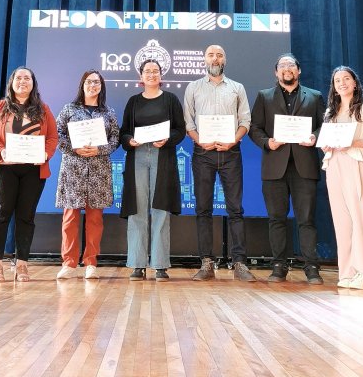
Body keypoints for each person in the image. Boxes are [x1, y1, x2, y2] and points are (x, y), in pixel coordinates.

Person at [249, 53, 325, 284]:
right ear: (276, 72)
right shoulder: (264, 96)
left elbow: (325, 125)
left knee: (306, 220)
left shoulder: (315, 96)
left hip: (305, 167)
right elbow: (254, 127)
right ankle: (279, 266)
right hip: (274, 166)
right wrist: (267, 142)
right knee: (276, 219)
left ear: (298, 70)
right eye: (282, 66)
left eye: (291, 65)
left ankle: (311, 267)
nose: (287, 69)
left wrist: (315, 137)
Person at [183, 44, 253, 281]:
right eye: (211, 54)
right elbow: (188, 122)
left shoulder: (237, 88)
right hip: (203, 154)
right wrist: (199, 141)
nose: (215, 58)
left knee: (236, 209)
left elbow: (245, 119)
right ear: (204, 59)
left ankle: (239, 263)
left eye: (220, 54)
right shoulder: (193, 87)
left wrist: (233, 140)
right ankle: (206, 263)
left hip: (231, 153)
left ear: (225, 60)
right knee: (203, 209)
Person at [0, 66, 58, 283]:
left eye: (27, 78)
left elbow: (52, 137)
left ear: (33, 83)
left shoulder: (43, 109)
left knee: (26, 216)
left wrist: (45, 154)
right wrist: (0, 151)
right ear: (11, 82)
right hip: (3, 167)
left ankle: (22, 263)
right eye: (19, 78)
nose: (23, 81)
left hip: (33, 169)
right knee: (1, 213)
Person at [119, 59, 186, 281]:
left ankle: (160, 265)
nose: (151, 74)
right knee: (137, 210)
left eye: (155, 71)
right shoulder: (133, 101)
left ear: (161, 75)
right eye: (147, 71)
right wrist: (130, 140)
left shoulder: (170, 99)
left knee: (160, 210)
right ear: (141, 76)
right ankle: (137, 264)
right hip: (137, 156)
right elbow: (124, 133)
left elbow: (180, 130)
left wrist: (167, 140)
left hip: (162, 156)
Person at [55, 70, 120, 279]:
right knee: (70, 217)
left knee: (95, 219)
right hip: (73, 169)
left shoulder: (108, 112)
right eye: (89, 82)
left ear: (102, 86)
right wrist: (74, 148)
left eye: (97, 82)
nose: (93, 85)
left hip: (98, 169)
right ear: (82, 84)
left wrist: (99, 150)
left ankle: (91, 262)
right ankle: (69, 262)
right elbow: (56, 135)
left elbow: (115, 139)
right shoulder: (69, 109)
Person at [321, 66, 363, 289]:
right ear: (334, 87)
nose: (342, 83)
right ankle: (346, 273)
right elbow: (327, 141)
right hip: (334, 164)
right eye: (337, 80)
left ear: (355, 83)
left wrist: (353, 143)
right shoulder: (330, 112)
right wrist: (326, 145)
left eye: (346, 79)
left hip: (357, 164)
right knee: (342, 221)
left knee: (360, 219)